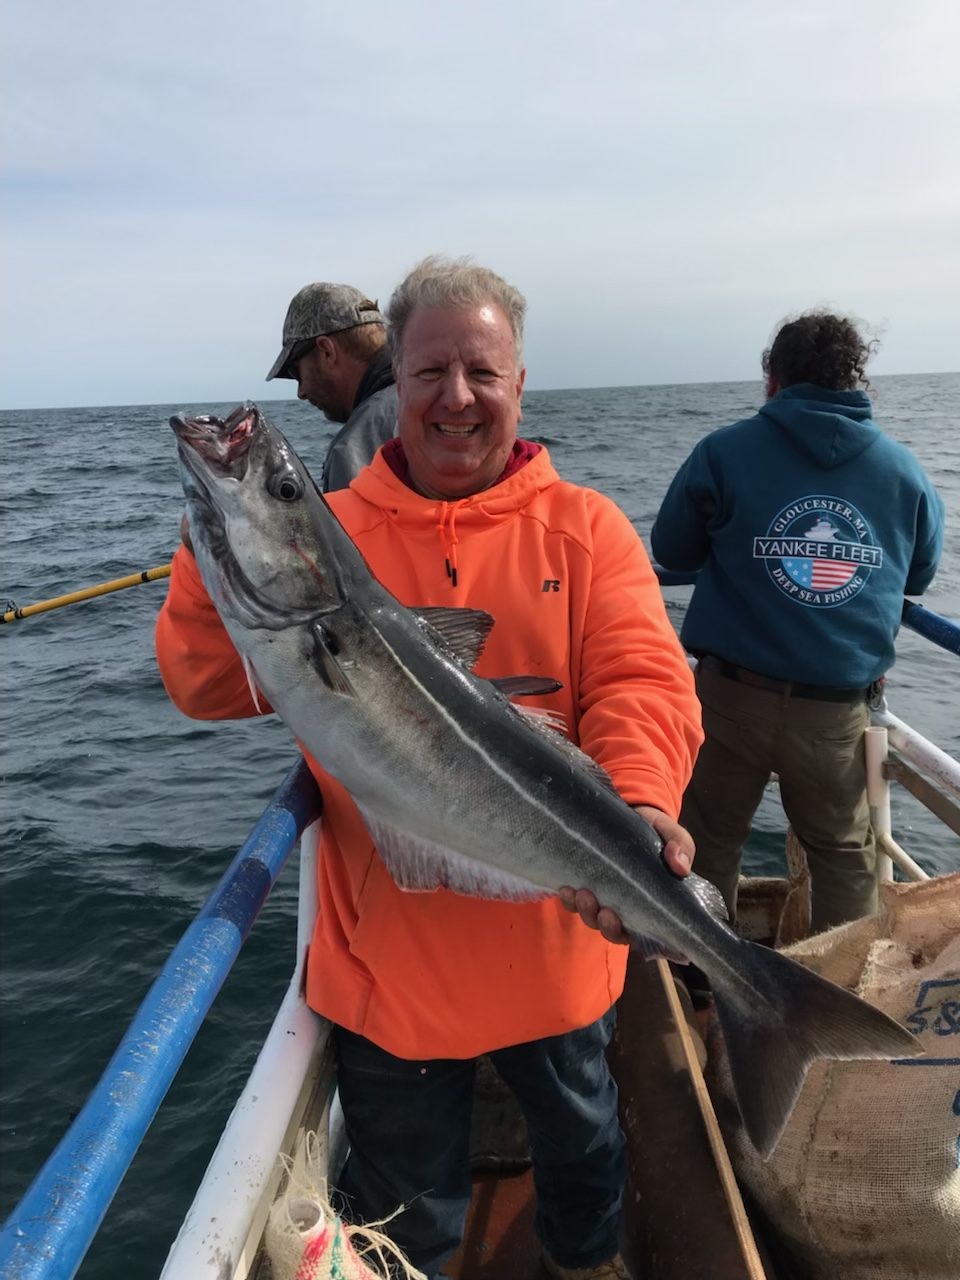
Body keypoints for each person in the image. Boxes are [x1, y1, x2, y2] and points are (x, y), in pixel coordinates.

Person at [157, 256, 703, 1280]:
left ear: (520, 385)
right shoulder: (337, 531)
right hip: (390, 966)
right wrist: (214, 538)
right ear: (394, 385)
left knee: (585, 1162)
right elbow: (207, 686)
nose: (457, 396)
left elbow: (642, 682)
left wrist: (640, 801)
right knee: (413, 1213)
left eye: (483, 371)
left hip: (566, 934)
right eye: (431, 371)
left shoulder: (587, 529)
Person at [651, 311, 944, 935]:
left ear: (772, 379)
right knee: (843, 858)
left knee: (703, 845)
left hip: (728, 699)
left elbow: (673, 553)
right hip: (836, 713)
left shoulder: (723, 453)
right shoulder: (905, 472)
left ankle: (703, 993)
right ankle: (843, 1006)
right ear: (855, 379)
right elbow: (913, 579)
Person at [266, 281, 398, 491]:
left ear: (327, 351)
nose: (301, 392)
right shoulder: (438, 399)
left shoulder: (353, 449)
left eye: (296, 373)